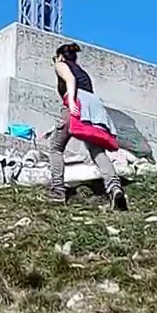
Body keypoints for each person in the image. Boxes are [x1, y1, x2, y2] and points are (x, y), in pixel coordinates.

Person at [46, 42, 128, 211]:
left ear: (60, 56)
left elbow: (70, 79)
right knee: (96, 150)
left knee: (55, 147)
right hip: (93, 106)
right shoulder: (83, 72)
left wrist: (70, 102)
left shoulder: (60, 64)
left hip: (75, 103)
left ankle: (58, 191)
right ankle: (114, 188)